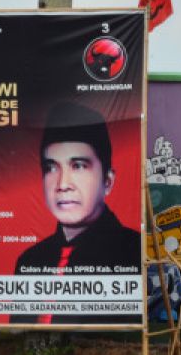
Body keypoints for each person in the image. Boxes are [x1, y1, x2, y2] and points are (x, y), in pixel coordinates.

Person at [14, 102, 141, 323]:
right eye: (51, 168)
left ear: (108, 181)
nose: (62, 184)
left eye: (79, 166)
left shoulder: (134, 253)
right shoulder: (30, 260)